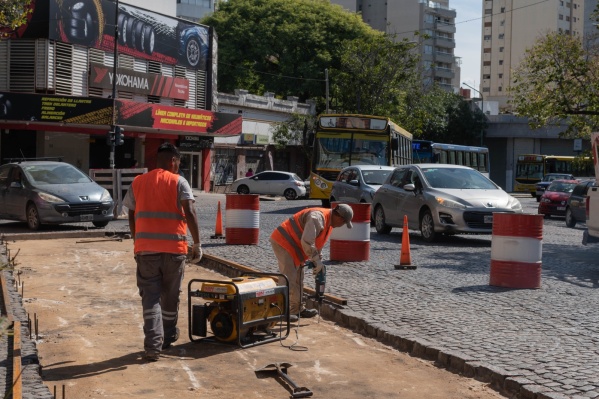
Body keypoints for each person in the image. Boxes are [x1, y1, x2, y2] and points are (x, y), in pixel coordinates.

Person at [123, 142, 202, 362]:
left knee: (150, 299)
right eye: (178, 163)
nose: (178, 167)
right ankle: (167, 336)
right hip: (174, 251)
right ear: (173, 161)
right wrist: (197, 244)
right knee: (170, 297)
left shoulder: (138, 182)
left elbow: (131, 212)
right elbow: (191, 211)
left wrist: (136, 238)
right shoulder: (179, 181)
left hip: (146, 252)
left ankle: (152, 346)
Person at [270, 204, 354, 322]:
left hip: (296, 246)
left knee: (299, 278)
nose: (342, 226)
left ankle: (296, 309)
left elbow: (316, 242)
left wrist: (317, 259)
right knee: (288, 278)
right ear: (339, 218)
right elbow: (307, 241)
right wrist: (316, 260)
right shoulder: (317, 218)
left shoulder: (328, 223)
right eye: (344, 223)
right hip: (284, 241)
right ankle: (281, 312)